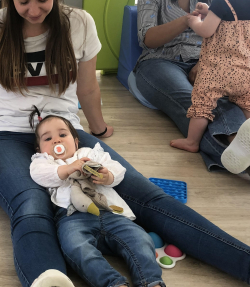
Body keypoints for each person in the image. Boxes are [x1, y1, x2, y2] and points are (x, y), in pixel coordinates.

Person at [0, 0, 250, 287]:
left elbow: (87, 89)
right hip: (7, 134)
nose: (33, 9)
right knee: (30, 205)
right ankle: (47, 277)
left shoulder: (78, 23)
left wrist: (97, 131)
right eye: (21, 0)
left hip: (66, 131)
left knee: (146, 196)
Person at [134, 0, 249, 173]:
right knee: (195, 105)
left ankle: (239, 148)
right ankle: (235, 153)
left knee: (226, 101)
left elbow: (226, 40)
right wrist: (186, 19)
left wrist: (206, 64)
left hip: (205, 62)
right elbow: (148, 39)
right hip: (160, 62)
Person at [29, 108, 164, 287]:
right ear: (40, 148)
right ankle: (112, 283)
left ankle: (150, 280)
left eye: (63, 134)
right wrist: (67, 169)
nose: (56, 140)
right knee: (75, 248)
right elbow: (39, 174)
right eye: (47, 138)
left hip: (110, 211)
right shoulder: (44, 161)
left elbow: (117, 167)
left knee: (140, 239)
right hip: (72, 217)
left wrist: (107, 176)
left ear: (76, 142)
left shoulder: (89, 154)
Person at [170, 0, 250, 168]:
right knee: (246, 104)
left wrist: (195, 19)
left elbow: (206, 30)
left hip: (217, 70)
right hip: (245, 71)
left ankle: (192, 141)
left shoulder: (223, 0)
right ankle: (246, 135)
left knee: (203, 104)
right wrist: (210, 11)